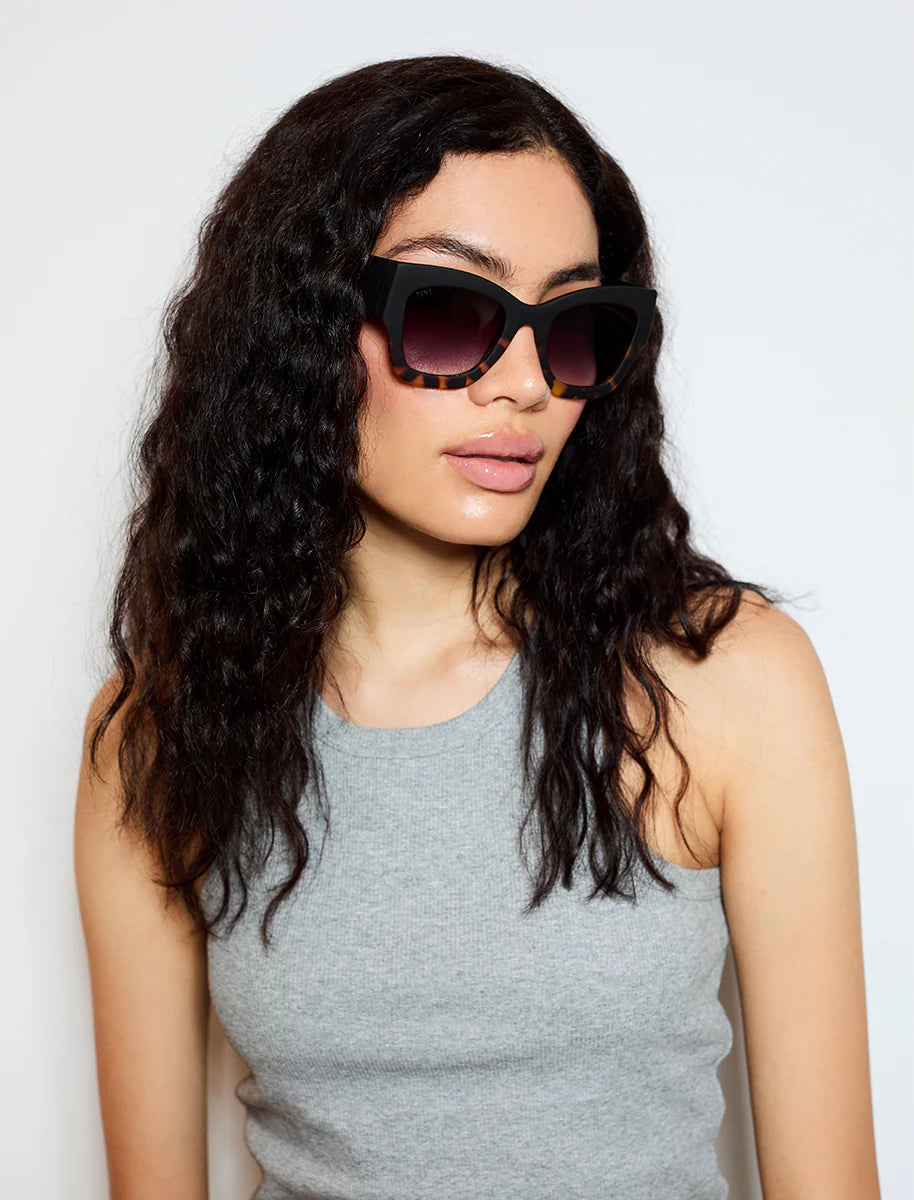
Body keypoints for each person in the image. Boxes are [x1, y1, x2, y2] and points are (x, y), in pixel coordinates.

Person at [73, 53, 881, 1200]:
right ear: (301, 329)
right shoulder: (162, 732)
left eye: (573, 326)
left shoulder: (720, 683)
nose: (526, 384)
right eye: (454, 313)